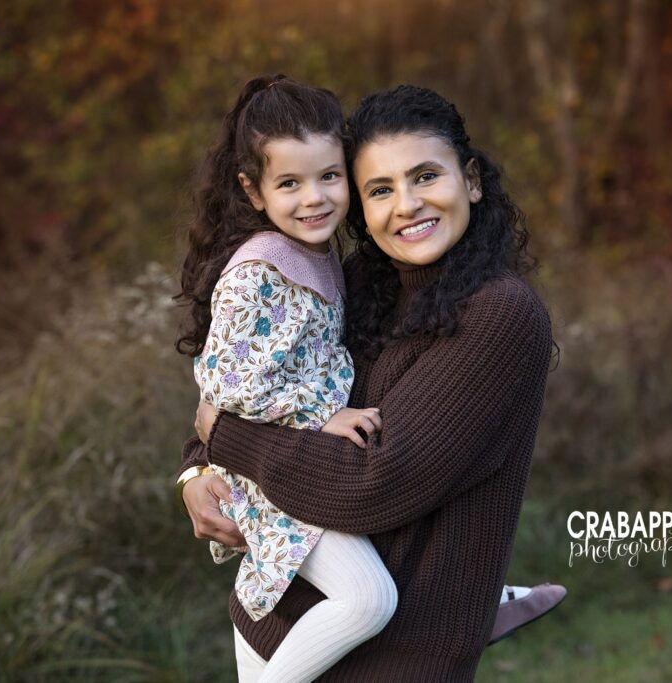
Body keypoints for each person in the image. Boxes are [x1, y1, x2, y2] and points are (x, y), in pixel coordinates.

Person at [179, 81, 563, 681]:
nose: (406, 205)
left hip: (394, 659)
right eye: (380, 189)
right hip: (279, 624)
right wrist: (198, 469)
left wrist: (223, 438)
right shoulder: (357, 280)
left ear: (471, 180)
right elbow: (253, 376)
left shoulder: (499, 315)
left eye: (425, 176)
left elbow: (370, 484)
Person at [175, 75, 397, 683]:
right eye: (290, 183)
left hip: (295, 466)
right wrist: (322, 415)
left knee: (266, 624)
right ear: (253, 190)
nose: (314, 198)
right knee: (370, 599)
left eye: (329, 176)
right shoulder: (261, 271)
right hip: (268, 477)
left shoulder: (318, 255)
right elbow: (225, 386)